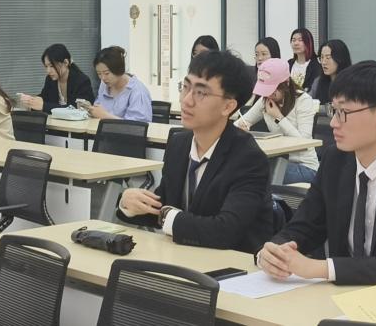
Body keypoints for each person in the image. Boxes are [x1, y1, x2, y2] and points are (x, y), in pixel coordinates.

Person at [258, 61, 376, 286]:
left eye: (344, 112)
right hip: (338, 294)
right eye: (333, 110)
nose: (333, 123)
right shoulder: (335, 160)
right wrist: (275, 251)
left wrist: (320, 268)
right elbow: (306, 225)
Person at [117, 50, 273, 251]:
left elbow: (226, 230)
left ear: (228, 106)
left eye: (201, 93)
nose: (186, 100)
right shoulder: (179, 144)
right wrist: (128, 204)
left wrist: (166, 215)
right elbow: (161, 207)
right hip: (184, 257)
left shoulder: (249, 159)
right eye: (185, 87)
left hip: (233, 265)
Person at [235, 58, 319, 183]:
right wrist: (239, 128)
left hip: (305, 167)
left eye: (272, 90)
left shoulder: (303, 100)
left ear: (286, 83)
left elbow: (304, 142)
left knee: (254, 172)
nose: (268, 94)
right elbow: (243, 121)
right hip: (278, 160)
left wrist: (278, 117)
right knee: (242, 167)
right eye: (265, 89)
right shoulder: (265, 99)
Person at [18, 43, 95, 114]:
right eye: (46, 66)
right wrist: (30, 101)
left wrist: (43, 106)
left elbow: (77, 109)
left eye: (52, 66)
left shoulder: (82, 81)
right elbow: (45, 97)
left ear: (65, 62)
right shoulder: (50, 79)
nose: (48, 71)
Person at [90, 46, 152, 122]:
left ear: (119, 69)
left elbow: (138, 126)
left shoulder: (138, 91)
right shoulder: (104, 85)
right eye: (99, 74)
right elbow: (98, 110)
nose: (103, 78)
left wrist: (105, 116)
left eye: (107, 73)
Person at [287, 28, 321, 93]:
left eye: (300, 40)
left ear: (308, 43)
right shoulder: (288, 64)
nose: (296, 43)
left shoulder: (316, 66)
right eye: (293, 40)